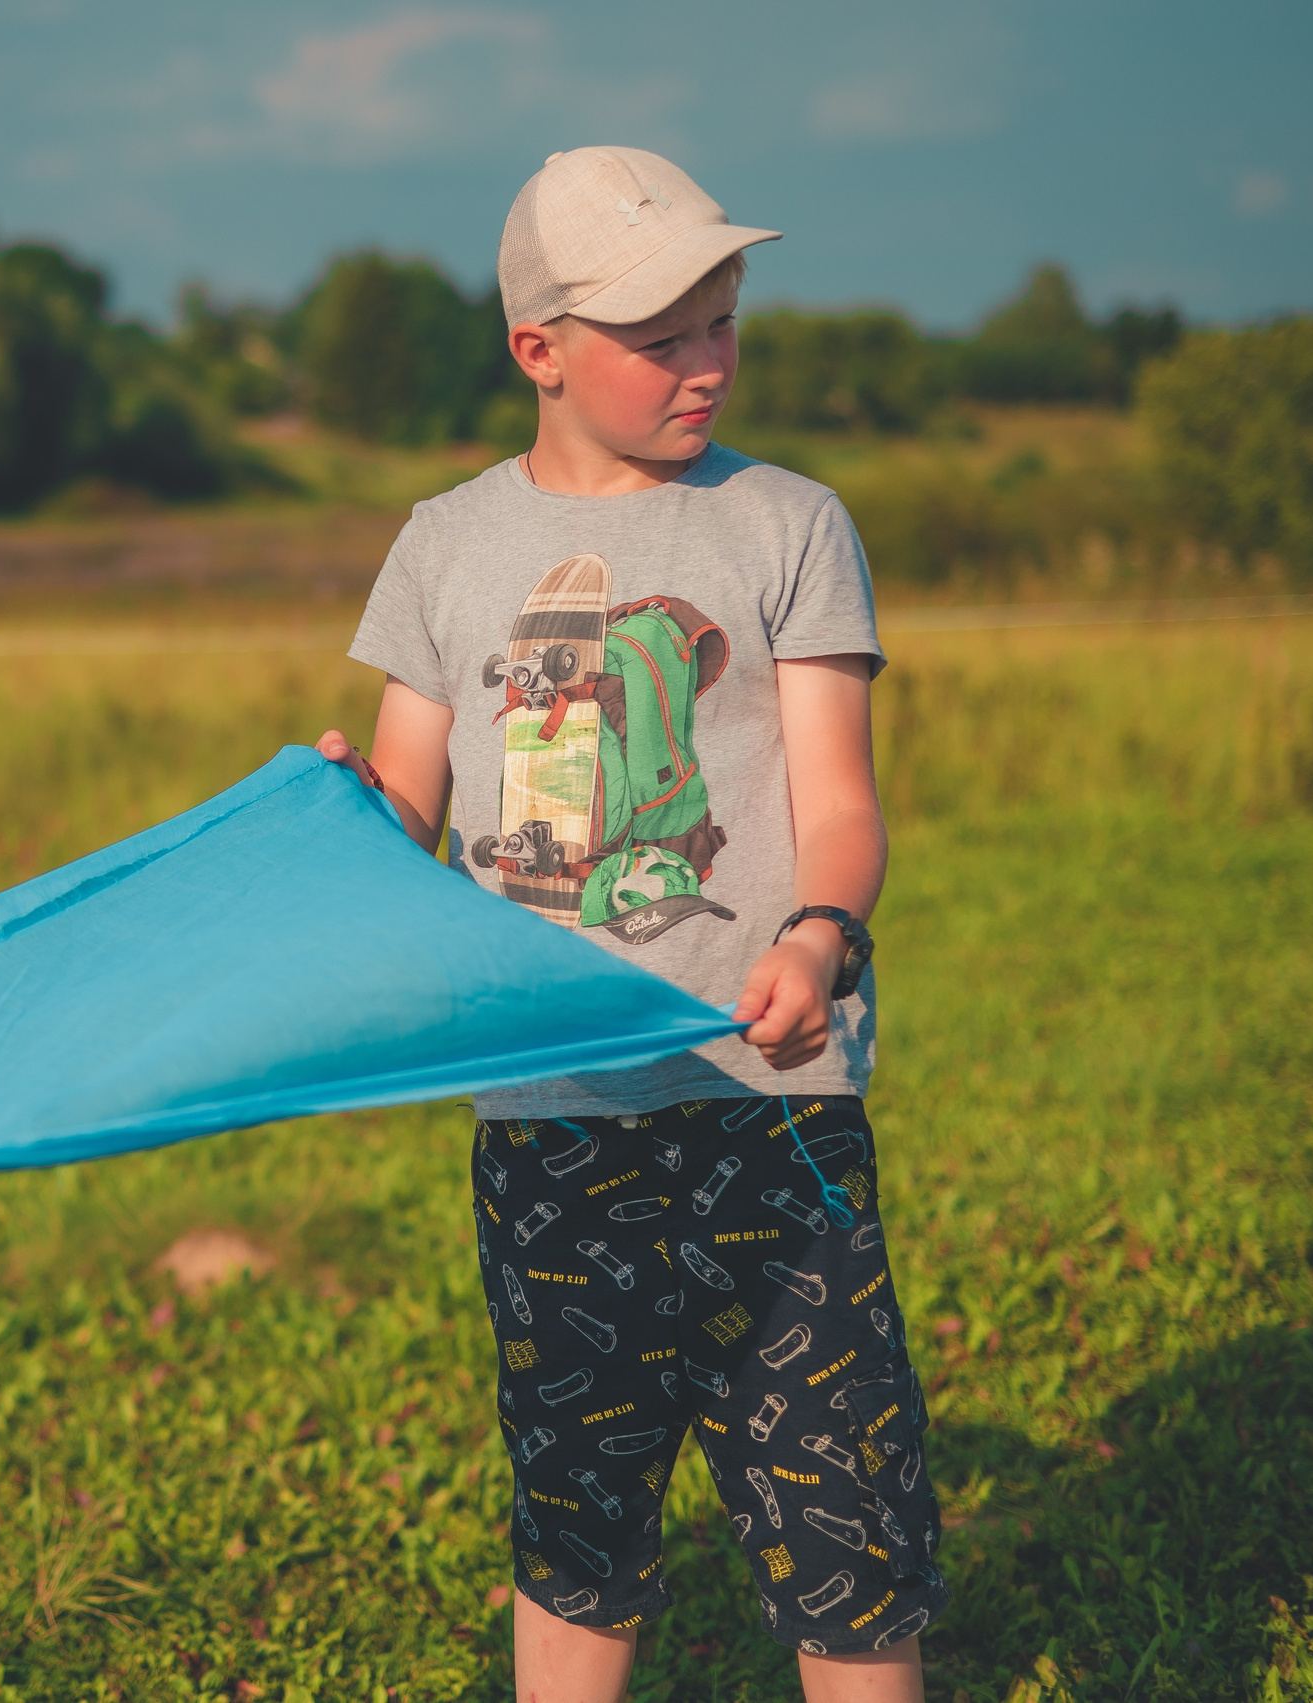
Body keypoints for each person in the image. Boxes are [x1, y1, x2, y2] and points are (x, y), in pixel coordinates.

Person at [317, 147, 942, 1701]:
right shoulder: (446, 544)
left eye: (725, 322)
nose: (708, 364)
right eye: (663, 338)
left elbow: (842, 805)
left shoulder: (789, 523)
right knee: (578, 1520)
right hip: (551, 1121)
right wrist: (339, 824)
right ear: (539, 350)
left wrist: (820, 938)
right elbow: (405, 806)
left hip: (768, 1112)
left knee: (843, 1523)